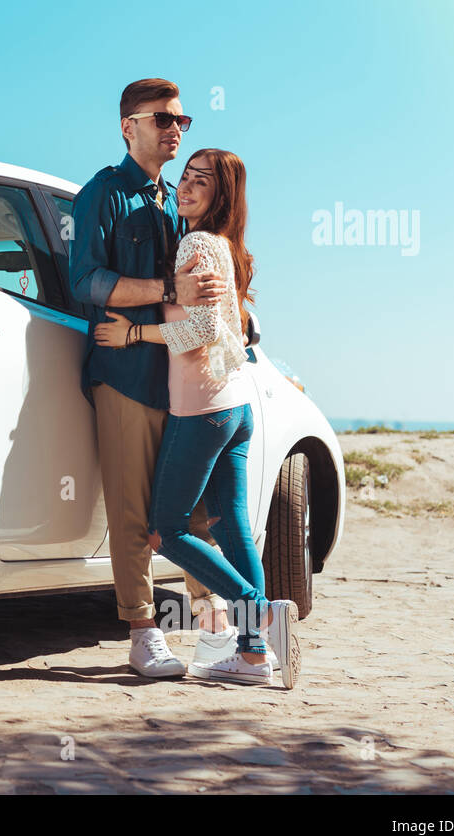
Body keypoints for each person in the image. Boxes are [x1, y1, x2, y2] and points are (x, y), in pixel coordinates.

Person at [94, 147, 300, 688]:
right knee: (232, 528)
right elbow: (231, 326)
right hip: (234, 409)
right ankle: (254, 657)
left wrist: (133, 333)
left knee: (166, 530)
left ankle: (260, 611)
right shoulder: (225, 247)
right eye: (185, 176)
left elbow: (202, 332)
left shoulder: (197, 243)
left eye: (201, 181)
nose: (186, 186)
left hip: (203, 410)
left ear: (220, 195)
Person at [68, 78, 249, 678]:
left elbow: (204, 298)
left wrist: (238, 312)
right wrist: (169, 290)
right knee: (132, 512)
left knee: (191, 518)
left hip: (182, 382)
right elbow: (86, 282)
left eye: (182, 121)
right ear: (129, 127)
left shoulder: (177, 200)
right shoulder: (103, 193)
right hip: (123, 372)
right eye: (164, 119)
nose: (175, 129)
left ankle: (220, 633)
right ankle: (143, 632)